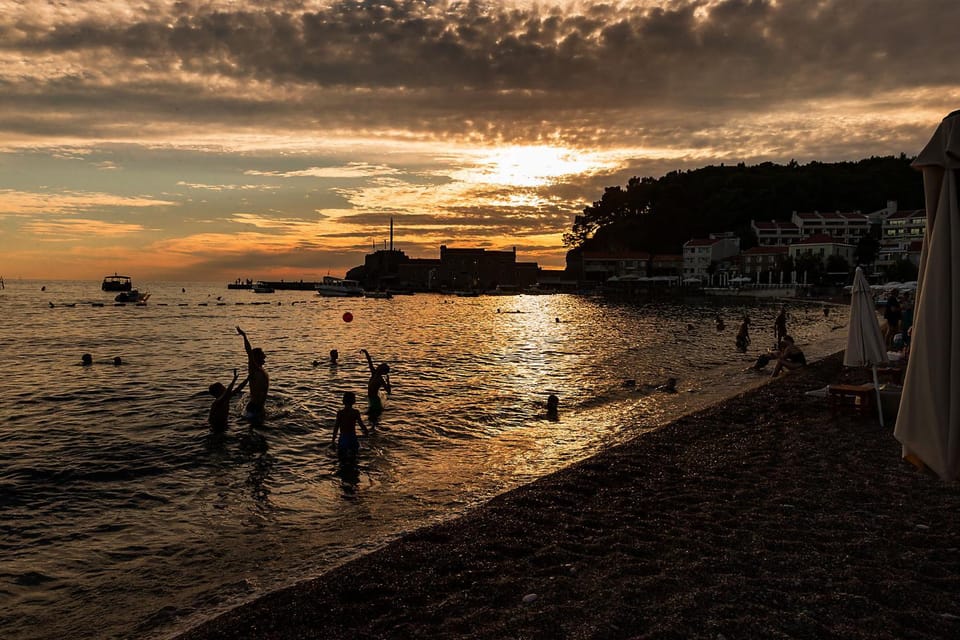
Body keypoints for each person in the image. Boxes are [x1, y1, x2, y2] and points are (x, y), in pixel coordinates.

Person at [237, 326, 269, 422]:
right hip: (253, 409)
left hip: (259, 408)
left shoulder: (260, 370)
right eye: (262, 354)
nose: (265, 356)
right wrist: (244, 336)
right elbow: (249, 352)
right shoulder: (254, 369)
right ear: (257, 357)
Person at [332, 391, 369, 460]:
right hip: (352, 437)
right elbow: (361, 424)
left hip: (343, 437)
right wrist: (366, 432)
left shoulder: (340, 413)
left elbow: (336, 428)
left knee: (342, 458)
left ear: (343, 401)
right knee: (354, 458)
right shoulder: (355, 412)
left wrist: (333, 440)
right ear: (353, 401)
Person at [360, 348, 391, 416]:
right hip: (371, 399)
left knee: (373, 418)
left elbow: (388, 391)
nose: (378, 366)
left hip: (375, 401)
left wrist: (388, 382)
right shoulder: (374, 373)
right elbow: (369, 361)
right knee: (372, 418)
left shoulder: (380, 379)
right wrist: (366, 352)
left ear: (381, 370)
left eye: (380, 366)